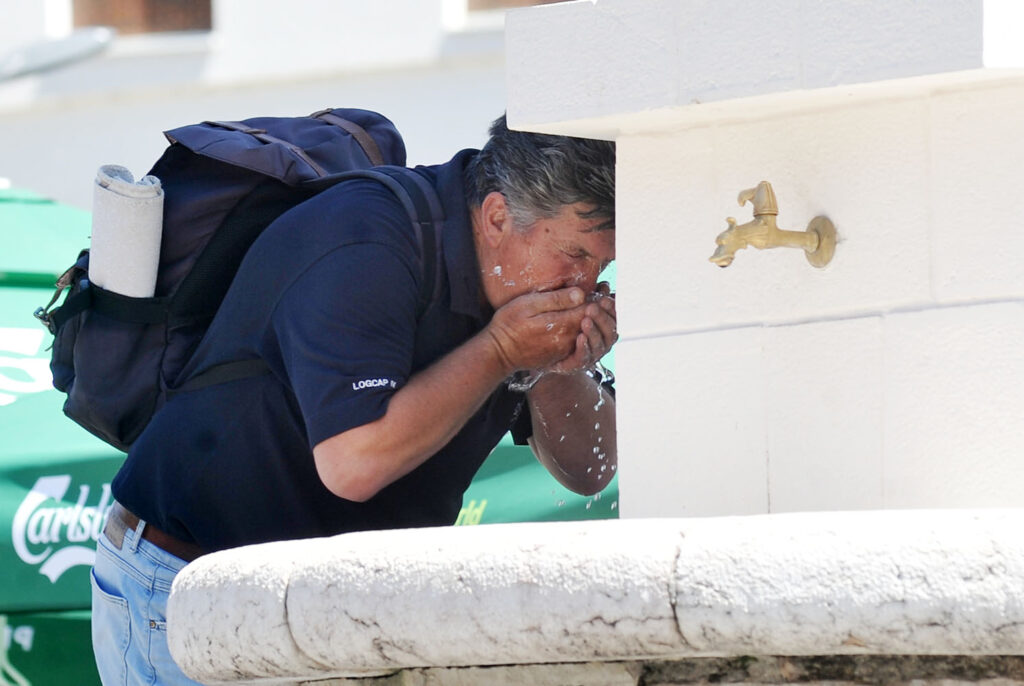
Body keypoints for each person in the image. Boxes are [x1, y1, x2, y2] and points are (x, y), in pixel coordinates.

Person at [90, 114, 617, 685]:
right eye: (576, 256)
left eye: (601, 267)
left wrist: (557, 365)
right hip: (192, 583)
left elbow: (592, 471)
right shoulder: (368, 237)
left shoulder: (522, 288)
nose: (582, 286)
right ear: (496, 216)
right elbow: (353, 462)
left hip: (342, 606)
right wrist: (500, 349)